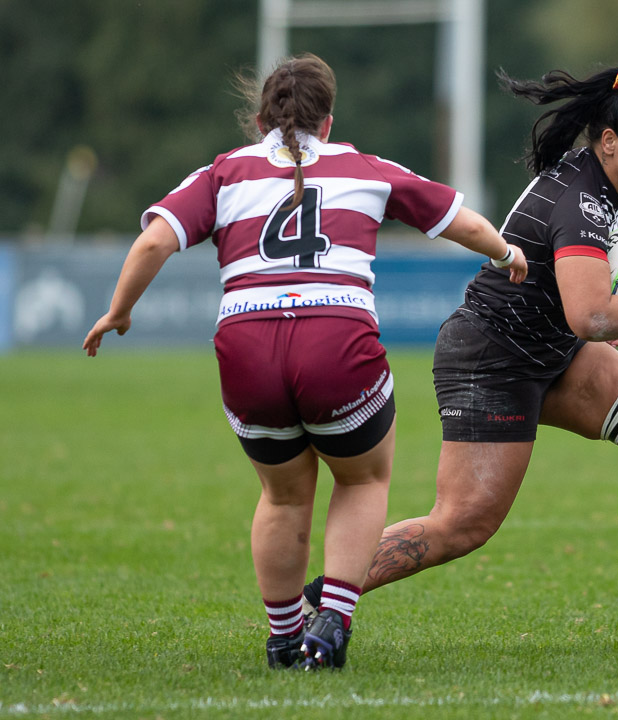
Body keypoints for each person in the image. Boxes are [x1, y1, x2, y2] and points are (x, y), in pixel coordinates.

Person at [82, 53, 527, 670]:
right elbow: (462, 222)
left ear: (260, 119)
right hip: (335, 339)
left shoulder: (223, 173)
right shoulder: (365, 167)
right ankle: (331, 623)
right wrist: (507, 253)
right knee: (362, 479)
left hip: (247, 347)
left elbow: (155, 238)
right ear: (329, 121)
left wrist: (119, 311)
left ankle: (283, 638)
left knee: (283, 496)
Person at [299, 62, 618, 641]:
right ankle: (314, 604)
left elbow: (582, 310)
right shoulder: (584, 200)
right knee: (460, 525)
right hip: (493, 360)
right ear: (610, 141)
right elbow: (590, 316)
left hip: (549, 351)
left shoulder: (593, 178)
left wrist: (609, 311)